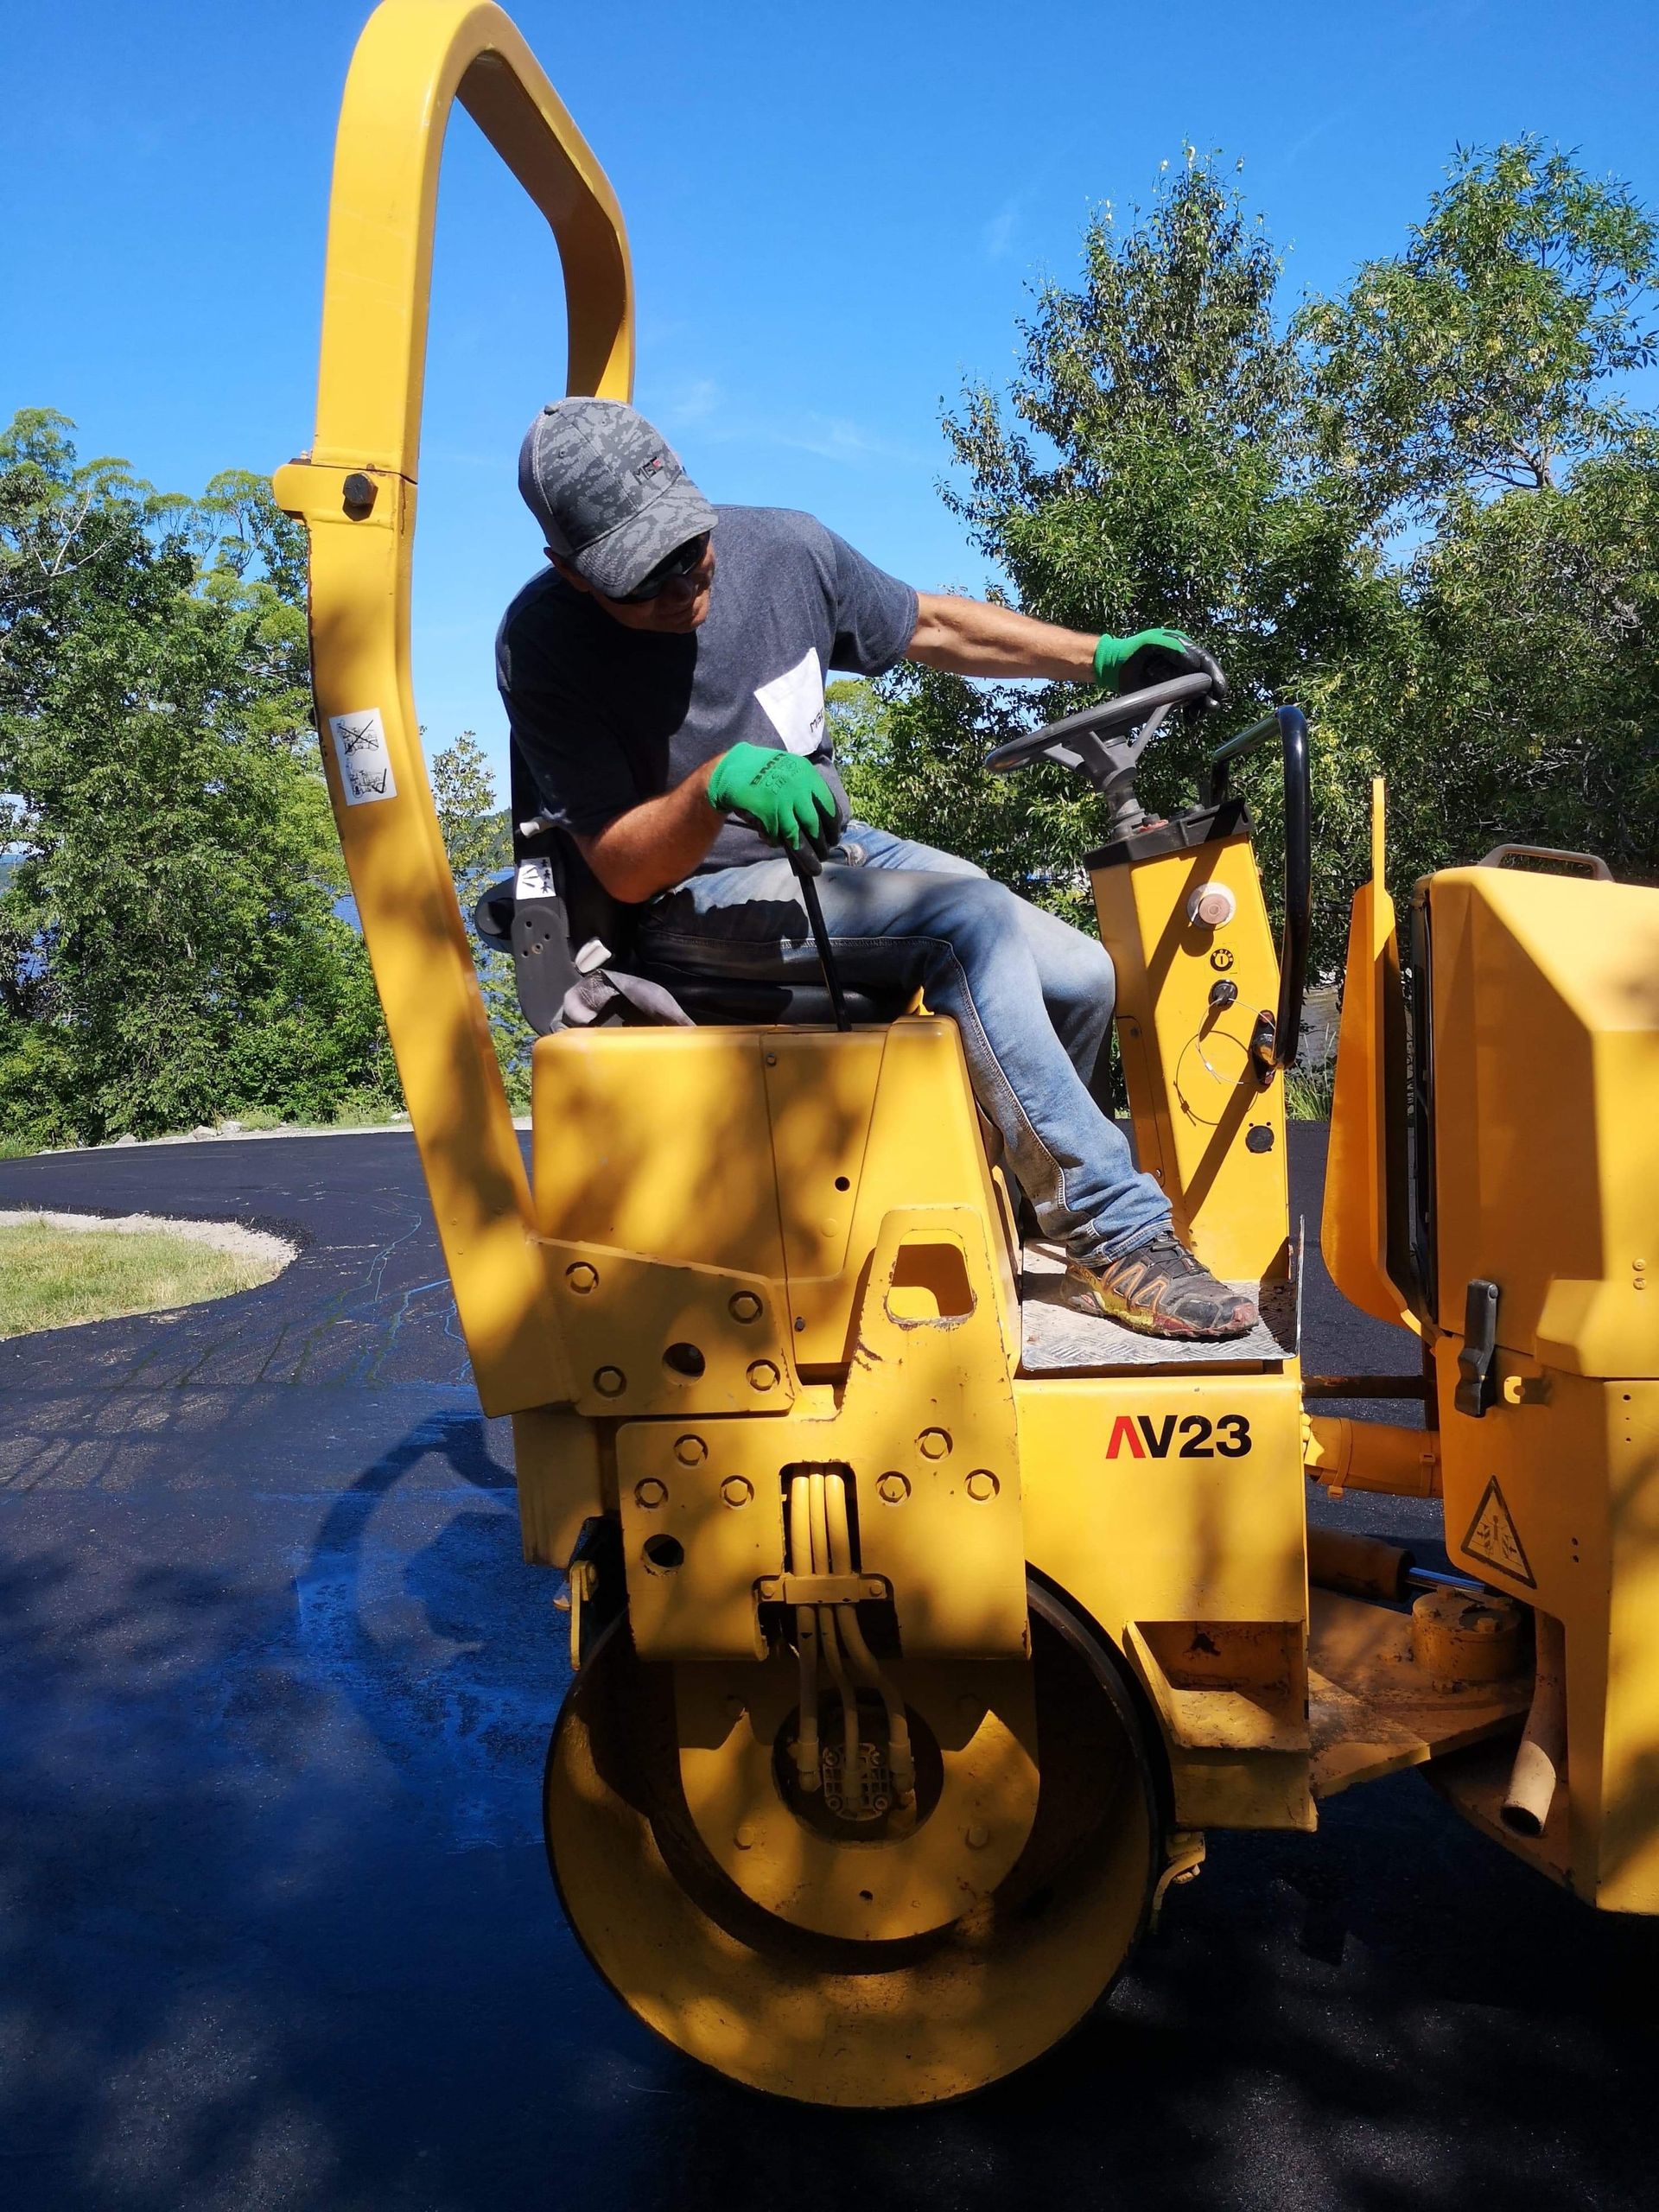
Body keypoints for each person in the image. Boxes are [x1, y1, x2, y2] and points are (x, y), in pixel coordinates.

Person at [496, 397, 1258, 1341]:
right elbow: (619, 866)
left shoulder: (786, 551)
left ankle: (1026, 1208)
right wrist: (718, 788)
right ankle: (1121, 1232)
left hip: (836, 849)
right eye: (637, 578)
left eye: (687, 551)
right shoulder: (542, 646)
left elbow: (933, 624)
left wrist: (1098, 658)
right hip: (688, 900)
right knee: (966, 924)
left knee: (1082, 975)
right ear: (568, 572)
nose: (679, 585)